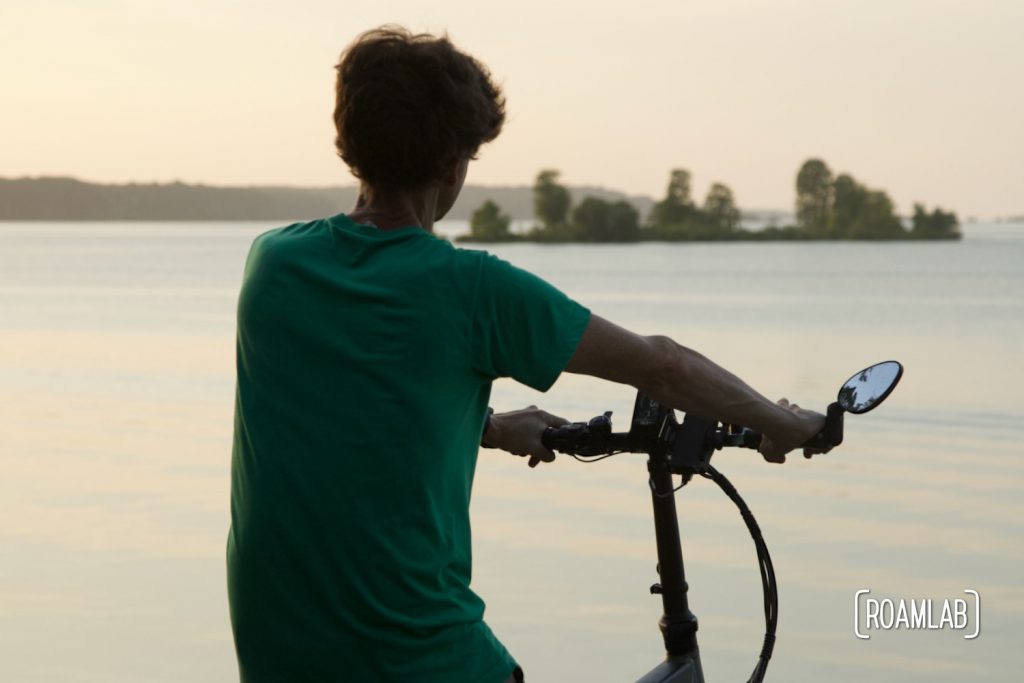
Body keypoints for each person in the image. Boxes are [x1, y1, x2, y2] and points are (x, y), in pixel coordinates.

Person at [227, 25, 826, 683]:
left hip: (277, 652)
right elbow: (663, 364)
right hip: (419, 662)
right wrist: (782, 422)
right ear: (454, 163)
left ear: (349, 144)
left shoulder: (274, 265)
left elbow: (352, 395)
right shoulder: (471, 289)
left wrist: (487, 426)